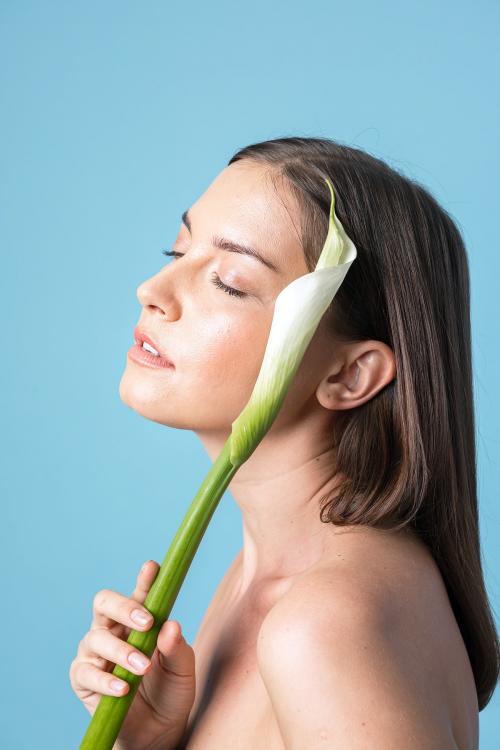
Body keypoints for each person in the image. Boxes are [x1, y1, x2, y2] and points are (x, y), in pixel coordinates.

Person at [69, 137, 499, 749]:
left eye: (229, 282)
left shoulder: (324, 624)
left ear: (350, 375)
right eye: (178, 248)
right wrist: (150, 741)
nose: (153, 290)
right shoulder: (259, 573)